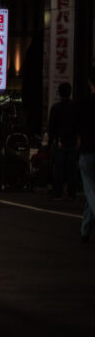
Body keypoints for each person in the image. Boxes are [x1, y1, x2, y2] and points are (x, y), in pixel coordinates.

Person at [48, 82, 79, 200]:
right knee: (71, 168)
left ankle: (58, 192)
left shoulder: (56, 108)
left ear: (59, 93)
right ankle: (72, 192)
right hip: (72, 141)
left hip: (59, 141)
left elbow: (52, 127)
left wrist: (51, 141)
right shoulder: (75, 107)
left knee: (59, 168)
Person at [79, 70, 95, 243]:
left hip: (88, 150)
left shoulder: (84, 104)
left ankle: (85, 229)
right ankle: (85, 228)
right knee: (91, 190)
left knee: (91, 190)